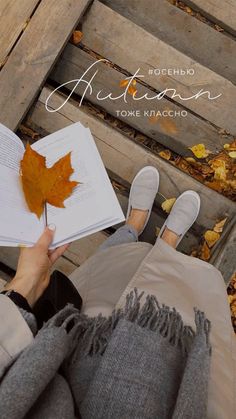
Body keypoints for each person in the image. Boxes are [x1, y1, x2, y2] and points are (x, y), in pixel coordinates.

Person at [0, 166, 235, 419]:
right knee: (174, 307)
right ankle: (166, 246)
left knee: (105, 279)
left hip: (57, 356)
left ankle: (131, 228)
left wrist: (25, 285)